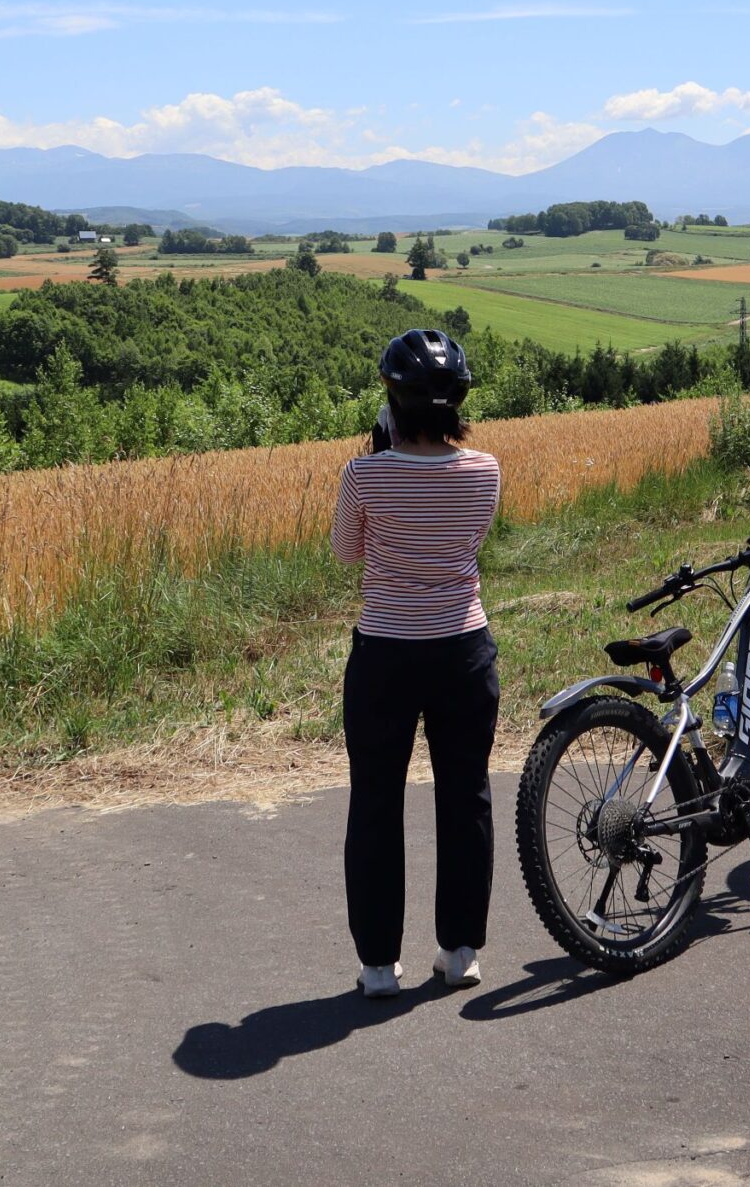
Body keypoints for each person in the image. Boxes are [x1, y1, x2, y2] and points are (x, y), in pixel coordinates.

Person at [330, 329, 503, 999]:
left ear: (391, 403)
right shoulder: (486, 469)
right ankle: (461, 952)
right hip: (463, 649)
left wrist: (379, 454)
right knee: (466, 796)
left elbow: (348, 553)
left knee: (376, 802)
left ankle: (379, 966)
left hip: (385, 656)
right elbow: (467, 539)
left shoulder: (363, 474)